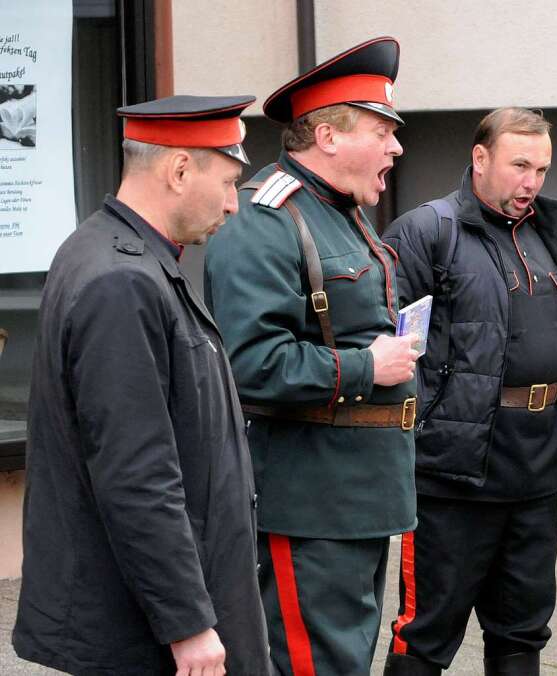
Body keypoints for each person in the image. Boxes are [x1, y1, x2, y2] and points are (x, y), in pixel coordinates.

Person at [13, 95, 271, 675]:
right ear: (180, 170)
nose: (234, 205)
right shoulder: (122, 282)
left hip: (149, 613)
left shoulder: (120, 257)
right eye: (229, 182)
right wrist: (189, 625)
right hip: (145, 633)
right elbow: (137, 474)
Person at [203, 36, 418, 675]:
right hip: (310, 500)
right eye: (382, 131)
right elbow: (250, 365)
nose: (396, 147)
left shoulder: (344, 212)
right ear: (327, 136)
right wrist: (365, 368)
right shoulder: (265, 220)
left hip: (359, 494)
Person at [380, 107, 557, 676]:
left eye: (542, 169)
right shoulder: (425, 230)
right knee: (424, 635)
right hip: (452, 477)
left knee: (522, 634)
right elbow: (395, 350)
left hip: (535, 468)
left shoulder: (553, 231)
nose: (532, 182)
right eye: (519, 165)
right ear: (480, 159)